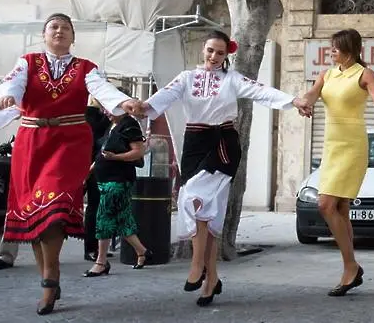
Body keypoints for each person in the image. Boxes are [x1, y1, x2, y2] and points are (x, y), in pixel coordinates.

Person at [139, 30, 312, 307]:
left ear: (226, 54)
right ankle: (212, 278)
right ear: (203, 49)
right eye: (210, 50)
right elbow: (162, 98)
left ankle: (197, 265)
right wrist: (141, 106)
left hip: (223, 144)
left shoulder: (232, 79)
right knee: (205, 211)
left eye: (220, 52)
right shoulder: (186, 78)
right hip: (194, 143)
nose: (213, 56)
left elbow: (260, 91)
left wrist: (294, 101)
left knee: (196, 198)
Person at [0, 12, 141, 315]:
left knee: (54, 206)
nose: (59, 31)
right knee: (33, 211)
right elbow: (13, 82)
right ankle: (49, 275)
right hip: (32, 142)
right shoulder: (29, 61)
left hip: (69, 143)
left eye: (65, 28)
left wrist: (122, 102)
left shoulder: (85, 68)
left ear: (73, 36)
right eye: (53, 27)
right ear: (44, 34)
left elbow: (101, 89)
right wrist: (8, 95)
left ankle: (50, 280)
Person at [301, 29, 374, 297]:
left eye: (335, 48)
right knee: (340, 208)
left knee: (325, 204)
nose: (331, 52)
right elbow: (311, 94)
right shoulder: (327, 74)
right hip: (331, 145)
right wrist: (303, 103)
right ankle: (350, 268)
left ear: (350, 49)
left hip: (353, 146)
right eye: (330, 48)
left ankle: (351, 266)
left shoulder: (364, 74)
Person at [84, 104, 151, 277]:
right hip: (104, 178)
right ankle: (143, 252)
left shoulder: (129, 125)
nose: (105, 112)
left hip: (118, 180)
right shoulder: (111, 125)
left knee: (103, 218)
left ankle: (101, 262)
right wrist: (90, 170)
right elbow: (103, 152)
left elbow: (138, 152)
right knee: (122, 220)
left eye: (108, 108)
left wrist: (116, 158)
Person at [84, 97, 113, 262]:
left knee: (99, 207)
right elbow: (98, 139)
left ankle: (98, 247)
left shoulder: (98, 116)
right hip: (92, 167)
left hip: (99, 166)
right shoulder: (91, 116)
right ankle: (91, 247)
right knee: (94, 208)